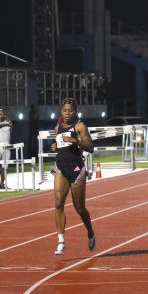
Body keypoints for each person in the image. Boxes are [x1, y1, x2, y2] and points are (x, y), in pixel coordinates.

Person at [50, 97, 96, 254]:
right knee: (58, 203)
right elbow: (60, 144)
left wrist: (75, 140)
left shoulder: (80, 126)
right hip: (61, 167)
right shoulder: (58, 127)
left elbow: (90, 147)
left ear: (75, 110)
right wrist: (55, 146)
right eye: (65, 110)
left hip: (76, 169)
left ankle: (90, 232)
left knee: (80, 208)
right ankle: (61, 240)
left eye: (70, 110)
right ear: (61, 111)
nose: (67, 113)